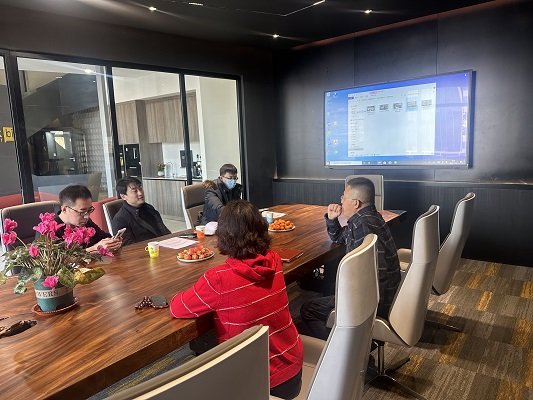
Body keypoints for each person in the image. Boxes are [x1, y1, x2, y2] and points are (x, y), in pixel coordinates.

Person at [170, 200, 303, 399]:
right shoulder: (274, 260)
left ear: (224, 235)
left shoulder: (218, 279)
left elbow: (177, 308)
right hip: (293, 367)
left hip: (257, 383)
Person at [300, 177, 401, 340]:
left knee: (308, 309)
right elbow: (340, 237)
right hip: (384, 295)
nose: (341, 201)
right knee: (330, 287)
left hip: (376, 303)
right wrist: (332, 220)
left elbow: (378, 274)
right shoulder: (367, 218)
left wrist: (367, 311)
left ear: (355, 203)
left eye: (344, 197)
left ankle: (342, 349)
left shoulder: (364, 226)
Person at [52, 185, 122, 253]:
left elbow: (103, 237)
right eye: (82, 212)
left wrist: (113, 243)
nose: (87, 216)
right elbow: (60, 259)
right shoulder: (51, 230)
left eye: (89, 210)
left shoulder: (85, 222)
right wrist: (94, 249)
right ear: (64, 209)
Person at [112, 177, 171, 246]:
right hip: (147, 250)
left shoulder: (148, 207)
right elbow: (128, 247)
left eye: (140, 188)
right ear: (123, 196)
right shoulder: (120, 220)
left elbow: (164, 231)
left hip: (163, 246)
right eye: (135, 191)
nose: (140, 193)